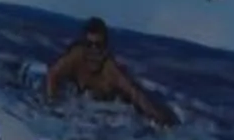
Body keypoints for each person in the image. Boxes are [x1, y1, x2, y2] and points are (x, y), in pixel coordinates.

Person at [43, 16, 179, 130]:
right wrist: (52, 103)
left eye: (98, 46)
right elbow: (52, 74)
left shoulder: (111, 72)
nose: (93, 51)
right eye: (89, 45)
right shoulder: (76, 57)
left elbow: (136, 96)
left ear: (106, 49)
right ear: (83, 45)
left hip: (106, 111)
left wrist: (160, 119)